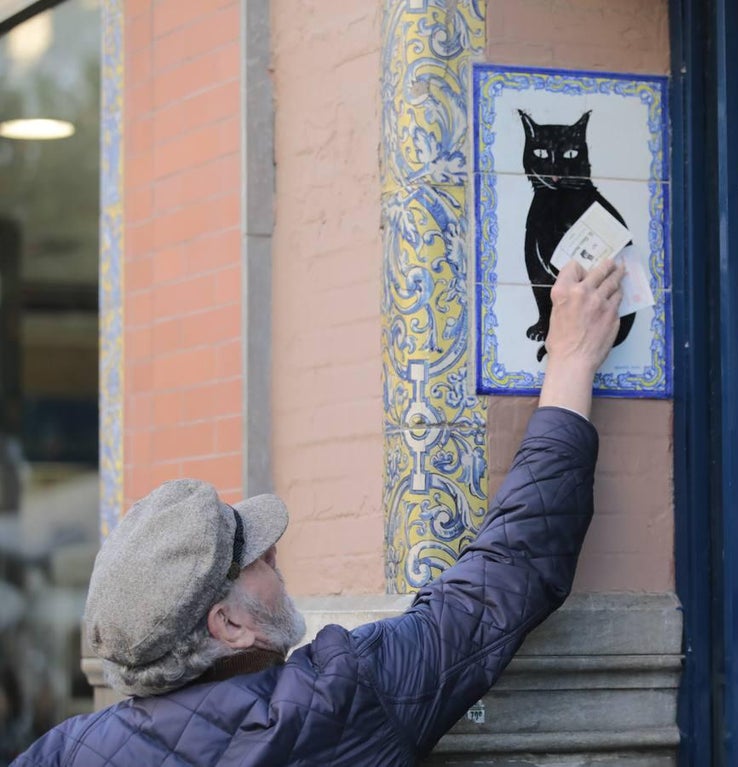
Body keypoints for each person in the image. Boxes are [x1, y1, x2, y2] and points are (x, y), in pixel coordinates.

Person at [15, 258, 626, 767]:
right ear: (228, 625)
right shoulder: (331, 703)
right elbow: (504, 576)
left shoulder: (68, 751)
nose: (275, 552)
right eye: (255, 557)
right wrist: (571, 360)